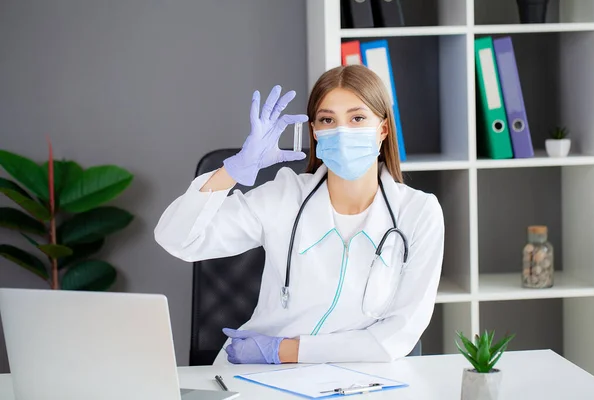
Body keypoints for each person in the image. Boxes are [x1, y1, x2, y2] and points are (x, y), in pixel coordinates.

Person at [154, 65, 445, 365]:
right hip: (257, 374)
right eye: (327, 120)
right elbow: (178, 239)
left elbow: (398, 335)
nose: (342, 132)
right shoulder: (284, 196)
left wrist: (282, 352)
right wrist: (233, 170)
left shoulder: (418, 213)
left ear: (382, 129)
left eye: (357, 118)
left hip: (352, 378)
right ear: (315, 132)